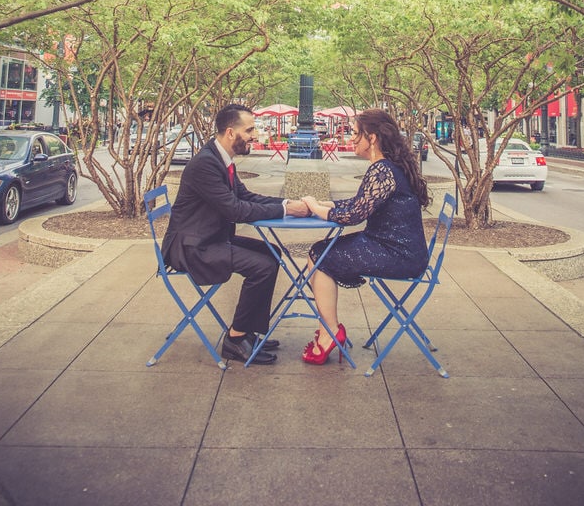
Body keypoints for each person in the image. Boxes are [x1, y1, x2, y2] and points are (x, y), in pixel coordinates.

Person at [161, 102, 310, 365]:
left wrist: (286, 204)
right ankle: (235, 338)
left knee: (272, 253)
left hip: (211, 238)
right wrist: (285, 208)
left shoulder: (221, 159)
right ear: (231, 133)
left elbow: (246, 196)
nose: (255, 135)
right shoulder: (205, 164)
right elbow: (235, 210)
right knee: (262, 266)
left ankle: (248, 330)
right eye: (250, 130)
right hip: (192, 247)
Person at [301, 108, 431, 365]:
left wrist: (315, 208)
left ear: (372, 138)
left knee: (320, 256)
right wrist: (329, 204)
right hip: (394, 247)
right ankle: (328, 328)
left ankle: (330, 333)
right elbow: (361, 203)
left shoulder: (382, 170)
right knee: (320, 252)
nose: (351, 140)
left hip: (397, 254)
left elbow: (355, 215)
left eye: (356, 134)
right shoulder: (388, 167)